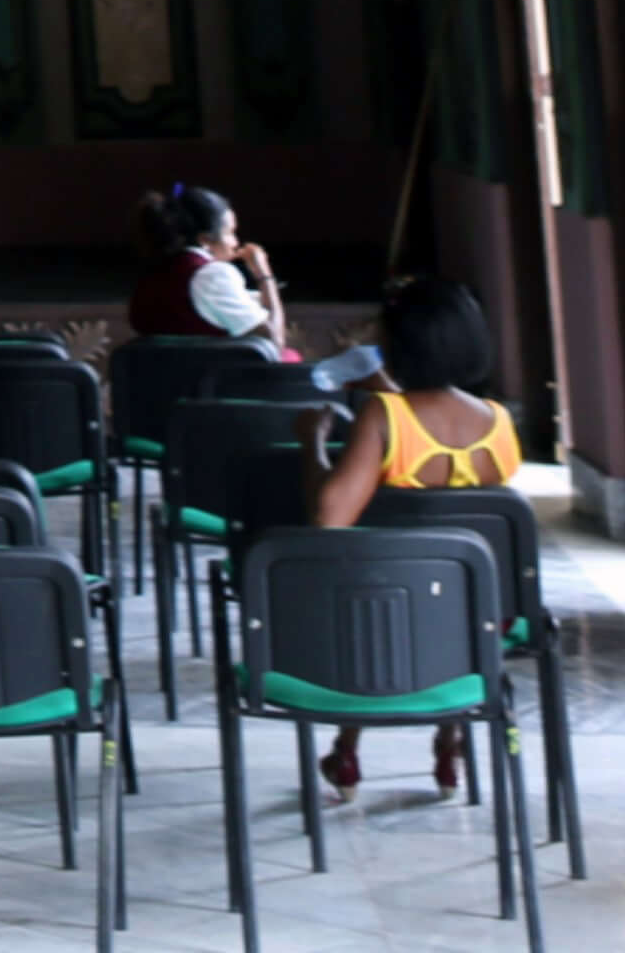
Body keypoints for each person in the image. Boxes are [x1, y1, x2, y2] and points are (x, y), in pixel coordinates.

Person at [309, 275, 522, 796]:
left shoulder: (384, 418)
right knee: (450, 589)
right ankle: (451, 745)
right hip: (478, 617)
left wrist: (311, 443)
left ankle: (348, 750)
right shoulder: (499, 423)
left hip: (387, 613)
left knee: (380, 591)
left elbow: (330, 516)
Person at [127, 183, 284, 347]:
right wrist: (265, 276)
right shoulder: (213, 275)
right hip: (211, 371)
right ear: (205, 240)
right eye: (230, 233)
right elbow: (274, 341)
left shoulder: (153, 271)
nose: (235, 242)